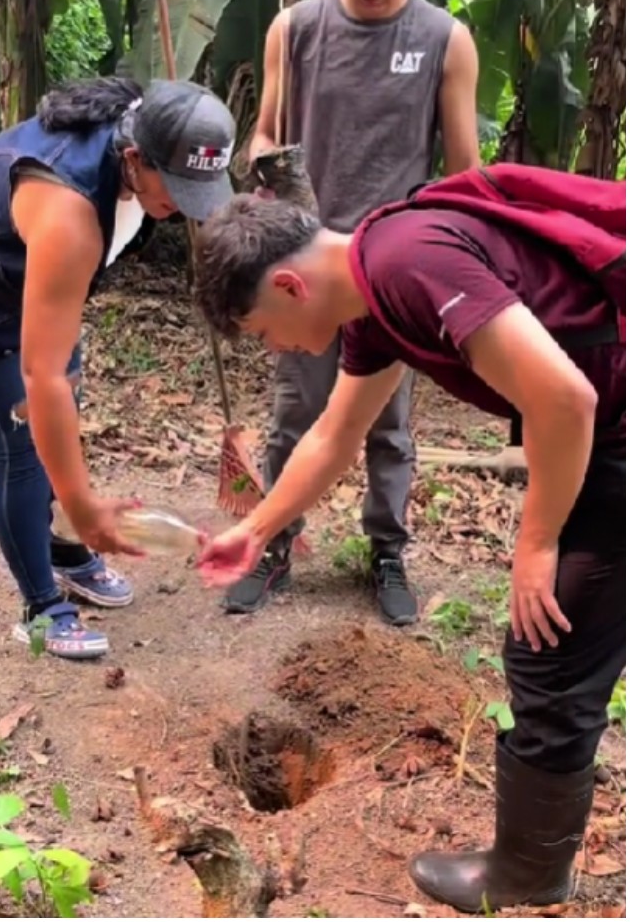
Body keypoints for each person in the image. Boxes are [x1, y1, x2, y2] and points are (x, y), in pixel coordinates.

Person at [191, 174, 623, 912]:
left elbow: (564, 397)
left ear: (291, 285)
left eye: (264, 333)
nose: (278, 349)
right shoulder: (375, 296)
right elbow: (334, 433)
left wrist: (537, 540)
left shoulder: (406, 261)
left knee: (549, 646)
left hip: (608, 431)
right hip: (605, 430)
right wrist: (256, 530)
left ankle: (527, 876)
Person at [230, 0, 482, 623]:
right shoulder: (295, 29)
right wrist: (278, 185)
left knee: (388, 422)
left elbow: (465, 171)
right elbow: (264, 134)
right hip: (306, 268)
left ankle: (388, 553)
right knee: (294, 412)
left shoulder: (444, 39)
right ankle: (273, 545)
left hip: (392, 272)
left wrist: (438, 257)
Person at [0, 76, 238, 659]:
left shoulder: (145, 126)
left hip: (41, 292)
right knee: (23, 446)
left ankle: (59, 547)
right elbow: (44, 377)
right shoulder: (67, 212)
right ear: (135, 159)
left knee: (61, 425)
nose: (182, 207)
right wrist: (86, 506)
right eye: (178, 188)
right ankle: (40, 609)